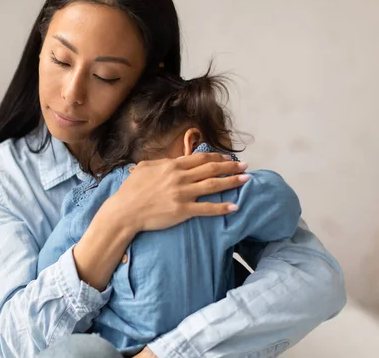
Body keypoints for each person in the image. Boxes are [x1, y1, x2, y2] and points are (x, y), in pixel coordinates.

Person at [0, 0, 346, 357]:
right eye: (60, 60)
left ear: (148, 75)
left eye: (106, 76)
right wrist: (120, 216)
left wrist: (170, 352)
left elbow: (317, 278)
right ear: (39, 48)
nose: (71, 94)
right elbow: (18, 343)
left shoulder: (180, 149)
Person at [36, 73, 302, 355]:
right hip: (190, 350)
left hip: (108, 345)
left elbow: (49, 270)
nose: (228, 162)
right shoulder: (217, 192)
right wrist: (241, 177)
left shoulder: (97, 196)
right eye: (226, 151)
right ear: (195, 144)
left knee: (77, 350)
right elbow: (286, 209)